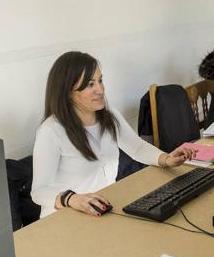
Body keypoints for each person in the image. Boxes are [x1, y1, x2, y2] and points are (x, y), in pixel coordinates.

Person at [31, 51, 196, 218]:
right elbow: (39, 191)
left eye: (100, 81)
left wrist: (166, 159)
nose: (100, 89)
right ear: (67, 91)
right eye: (90, 84)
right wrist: (71, 198)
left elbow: (136, 147)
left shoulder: (107, 114)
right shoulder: (50, 131)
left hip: (102, 211)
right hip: (64, 219)